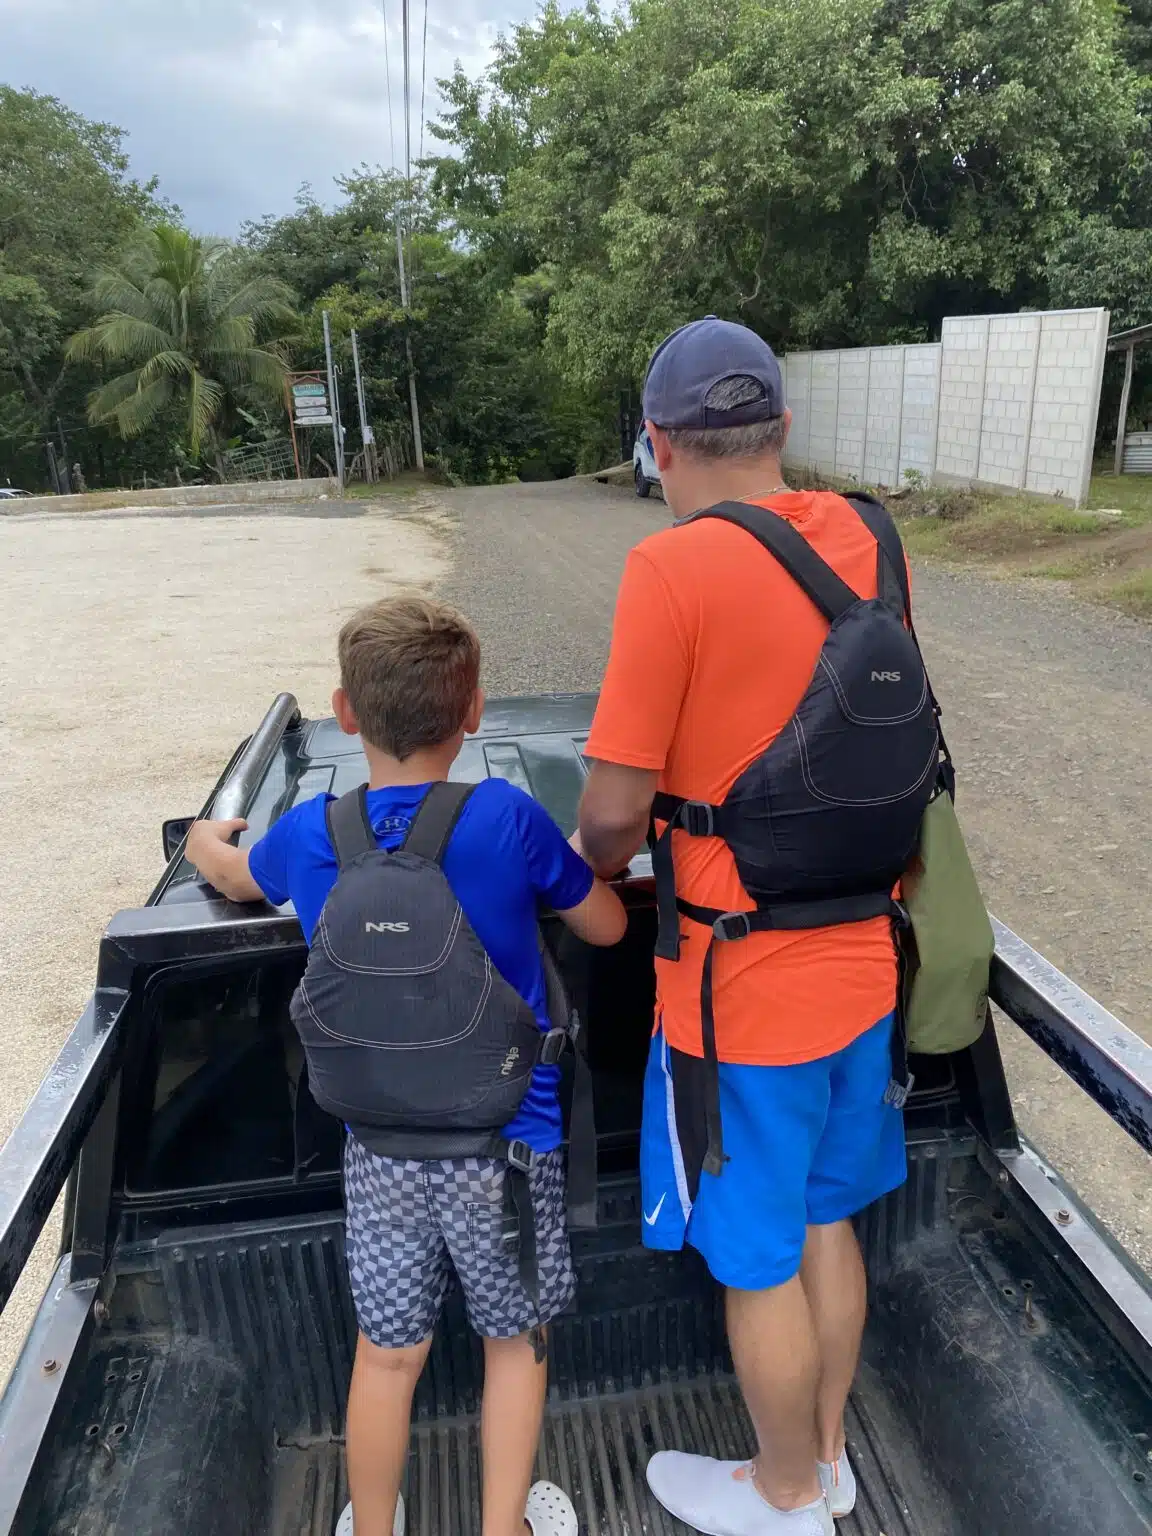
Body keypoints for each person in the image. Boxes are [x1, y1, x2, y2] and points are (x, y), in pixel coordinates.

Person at [188, 594, 627, 1536]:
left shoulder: (314, 834)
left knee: (386, 1356)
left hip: (379, 1149)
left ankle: (375, 1527)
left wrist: (201, 839)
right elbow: (608, 922)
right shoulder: (507, 819)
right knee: (515, 1343)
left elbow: (232, 878)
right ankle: (503, 1528)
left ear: (347, 714)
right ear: (474, 712)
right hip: (510, 1145)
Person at [575, 318, 911, 1536]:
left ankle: (782, 1497)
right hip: (869, 959)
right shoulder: (870, 538)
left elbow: (614, 810)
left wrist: (580, 867)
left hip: (740, 992)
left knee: (755, 1255)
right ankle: (826, 1457)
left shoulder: (671, 569)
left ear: (660, 445)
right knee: (830, 1215)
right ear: (781, 427)